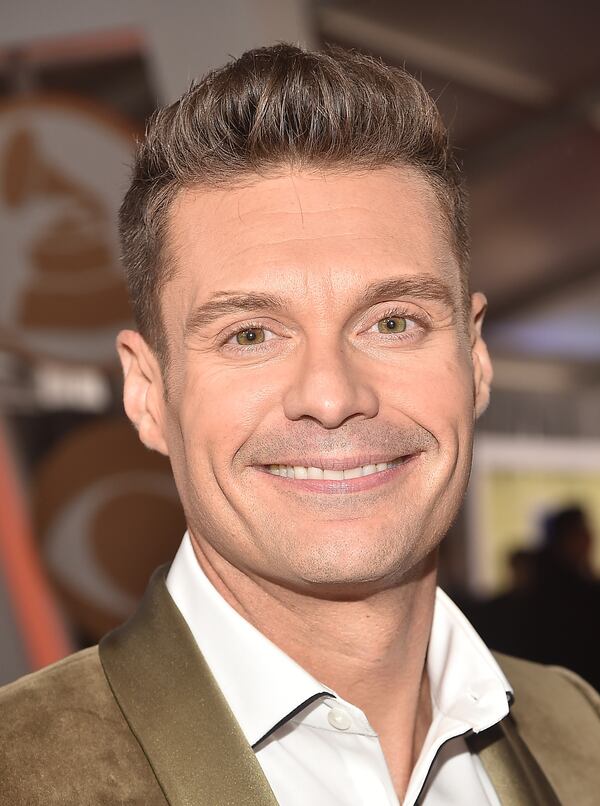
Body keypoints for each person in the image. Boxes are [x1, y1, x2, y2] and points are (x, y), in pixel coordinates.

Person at [1, 44, 598, 806]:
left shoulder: (581, 736)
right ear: (148, 393)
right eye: (251, 334)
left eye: (392, 321)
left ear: (474, 359)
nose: (331, 394)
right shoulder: (21, 771)